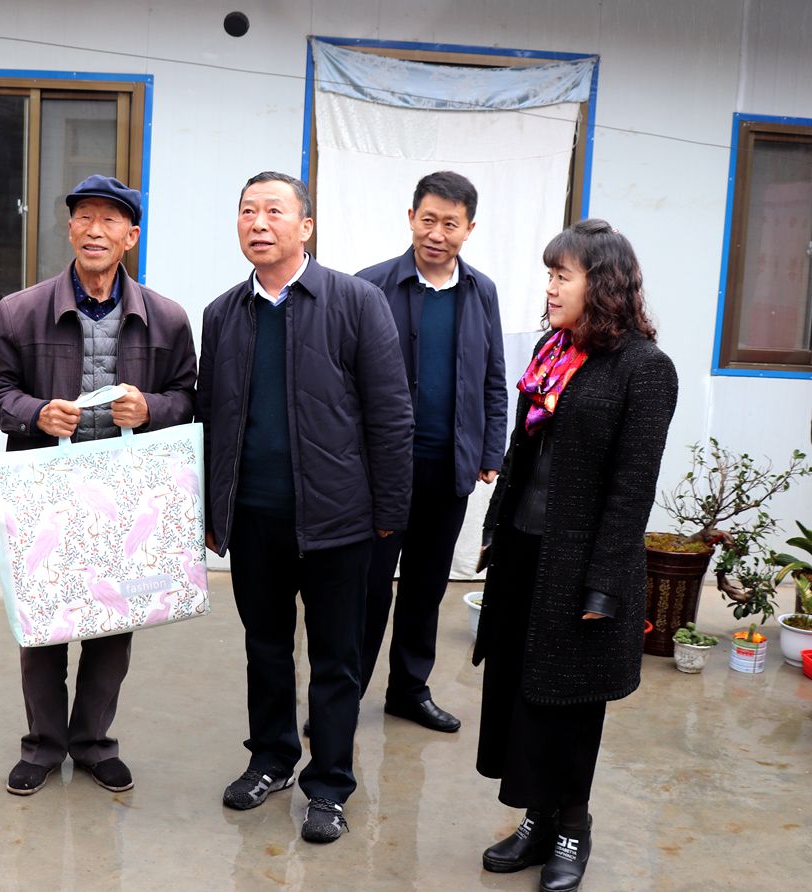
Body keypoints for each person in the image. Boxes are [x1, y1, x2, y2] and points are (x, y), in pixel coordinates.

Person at [196, 171, 414, 843]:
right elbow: (212, 419)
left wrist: (389, 516)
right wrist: (213, 512)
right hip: (253, 517)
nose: (259, 223)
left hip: (339, 521)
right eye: (247, 211)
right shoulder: (222, 313)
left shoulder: (356, 302)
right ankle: (271, 759)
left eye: (274, 211)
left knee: (335, 659)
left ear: (306, 226)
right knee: (264, 646)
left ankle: (330, 786)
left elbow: (391, 415)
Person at [473, 219, 678, 892]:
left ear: (604, 284)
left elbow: (632, 488)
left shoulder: (645, 369)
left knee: (570, 703)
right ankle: (536, 819)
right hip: (526, 550)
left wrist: (604, 587)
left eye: (563, 275)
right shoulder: (552, 350)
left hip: (581, 565)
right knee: (521, 693)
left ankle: (571, 827)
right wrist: (496, 529)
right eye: (550, 275)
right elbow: (523, 451)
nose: (551, 288)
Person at [0, 174, 197, 797]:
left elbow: (188, 395)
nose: (95, 230)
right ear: (69, 228)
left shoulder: (167, 317)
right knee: (44, 622)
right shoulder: (20, 311)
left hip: (125, 495)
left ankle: (95, 743)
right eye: (84, 218)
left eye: (110, 220)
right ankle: (43, 745)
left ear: (131, 236)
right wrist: (34, 413)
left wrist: (150, 408)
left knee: (114, 619)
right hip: (45, 491)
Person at [354, 170, 506, 733]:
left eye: (450, 223)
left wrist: (491, 449)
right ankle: (343, 695)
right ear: (410, 218)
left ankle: (408, 691)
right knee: (367, 590)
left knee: (425, 587)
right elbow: (342, 381)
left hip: (449, 468)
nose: (437, 234)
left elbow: (493, 376)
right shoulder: (369, 287)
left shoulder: (481, 292)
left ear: (469, 229)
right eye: (428, 220)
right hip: (380, 473)